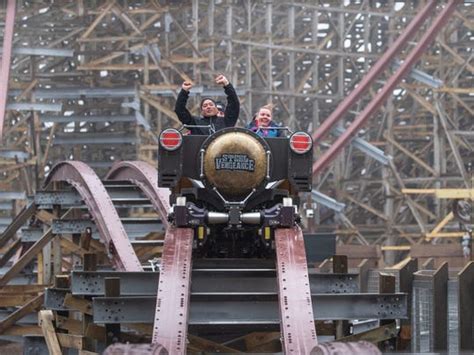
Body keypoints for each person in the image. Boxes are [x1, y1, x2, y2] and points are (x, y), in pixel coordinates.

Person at [174, 74, 239, 135]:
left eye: (211, 104)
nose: (208, 107)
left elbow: (234, 104)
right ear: (202, 111)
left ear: (216, 109)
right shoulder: (195, 123)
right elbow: (180, 110)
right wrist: (184, 92)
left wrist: (226, 84)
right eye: (205, 106)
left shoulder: (226, 121)